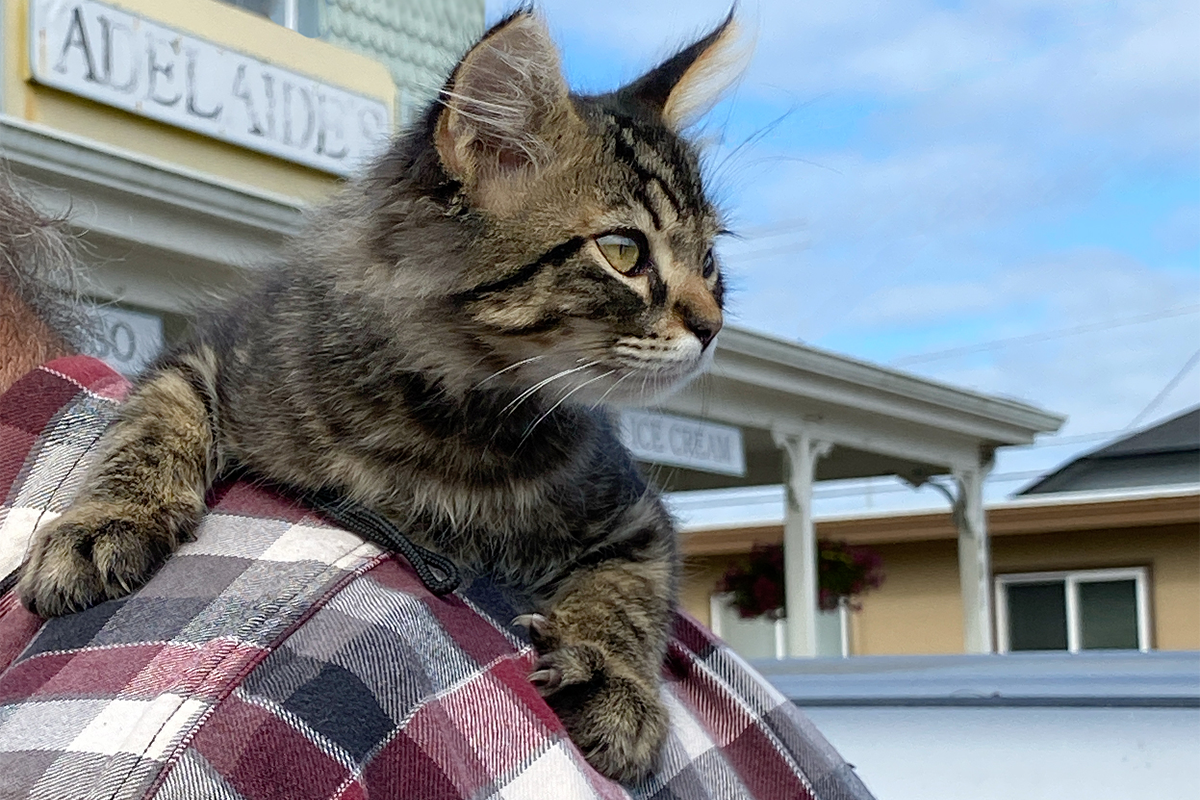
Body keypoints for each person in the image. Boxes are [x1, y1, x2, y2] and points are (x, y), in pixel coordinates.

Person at [0, 176, 874, 799]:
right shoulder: (309, 364)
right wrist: (139, 493)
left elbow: (633, 539)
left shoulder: (566, 433)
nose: (704, 316)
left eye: (705, 260)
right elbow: (197, 382)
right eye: (625, 249)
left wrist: (609, 654)